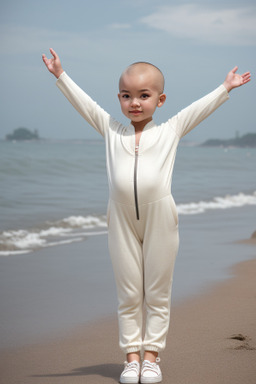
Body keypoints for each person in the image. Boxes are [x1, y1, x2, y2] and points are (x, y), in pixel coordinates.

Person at [42, 48, 251, 384]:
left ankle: (151, 357)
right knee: (127, 292)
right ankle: (131, 359)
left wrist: (225, 87)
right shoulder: (111, 131)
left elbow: (198, 109)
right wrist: (60, 75)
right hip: (120, 219)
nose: (134, 103)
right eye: (127, 96)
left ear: (160, 99)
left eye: (143, 95)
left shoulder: (170, 130)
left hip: (161, 217)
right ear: (119, 99)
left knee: (157, 290)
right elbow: (85, 105)